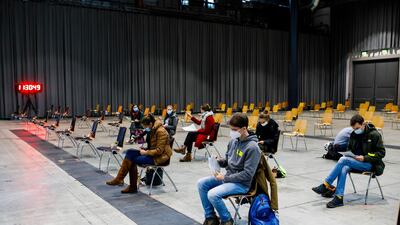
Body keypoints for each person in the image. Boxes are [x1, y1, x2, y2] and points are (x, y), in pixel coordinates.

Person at [197, 113, 261, 225]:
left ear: (244, 128)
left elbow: (248, 174)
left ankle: (227, 220)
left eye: (234, 129)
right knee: (201, 184)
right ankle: (211, 218)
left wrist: (225, 177)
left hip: (242, 184)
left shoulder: (252, 147)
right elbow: (227, 162)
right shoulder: (233, 142)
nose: (232, 132)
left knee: (213, 194)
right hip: (229, 178)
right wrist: (218, 161)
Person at [312, 114, 385, 208]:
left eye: (357, 128)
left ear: (363, 124)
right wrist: (351, 154)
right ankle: (339, 197)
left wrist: (365, 157)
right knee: (344, 168)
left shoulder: (374, 134)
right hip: (357, 161)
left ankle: (326, 184)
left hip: (370, 164)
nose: (356, 130)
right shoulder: (354, 134)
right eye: (354, 129)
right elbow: (349, 148)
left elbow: (381, 153)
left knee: (343, 160)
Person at [106, 114, 172, 193]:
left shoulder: (161, 132)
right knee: (130, 152)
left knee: (132, 159)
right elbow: (153, 146)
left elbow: (159, 151)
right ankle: (120, 179)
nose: (145, 129)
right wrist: (146, 149)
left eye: (145, 127)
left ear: (150, 124)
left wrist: (145, 152)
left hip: (160, 158)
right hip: (152, 154)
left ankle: (130, 186)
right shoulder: (153, 129)